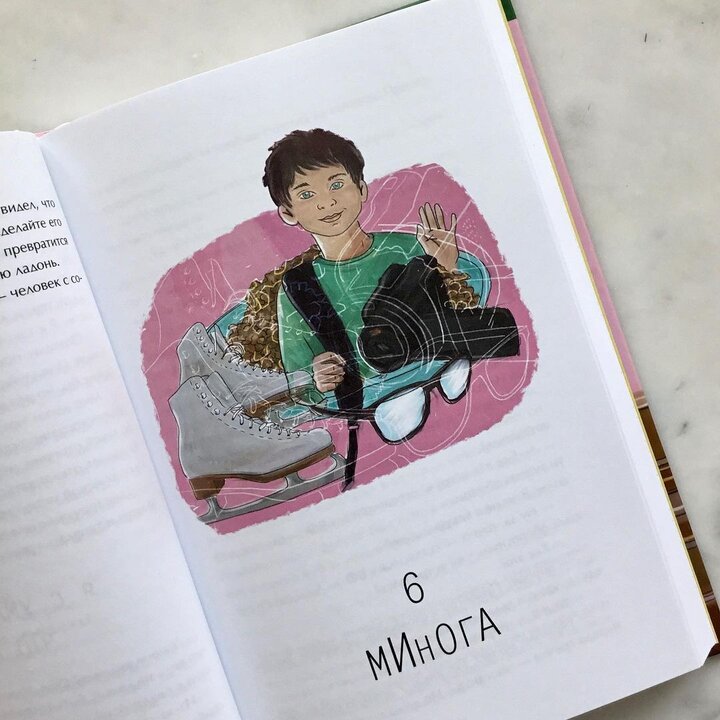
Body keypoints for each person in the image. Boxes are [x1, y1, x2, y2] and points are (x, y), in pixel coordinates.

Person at [227, 128, 492, 411]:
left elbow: (461, 309)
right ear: (288, 213)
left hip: (435, 365)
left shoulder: (410, 247)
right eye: (306, 194)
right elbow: (299, 381)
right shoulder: (298, 289)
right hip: (371, 400)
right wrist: (317, 377)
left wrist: (447, 267)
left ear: (362, 189)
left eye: (336, 184)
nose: (326, 202)